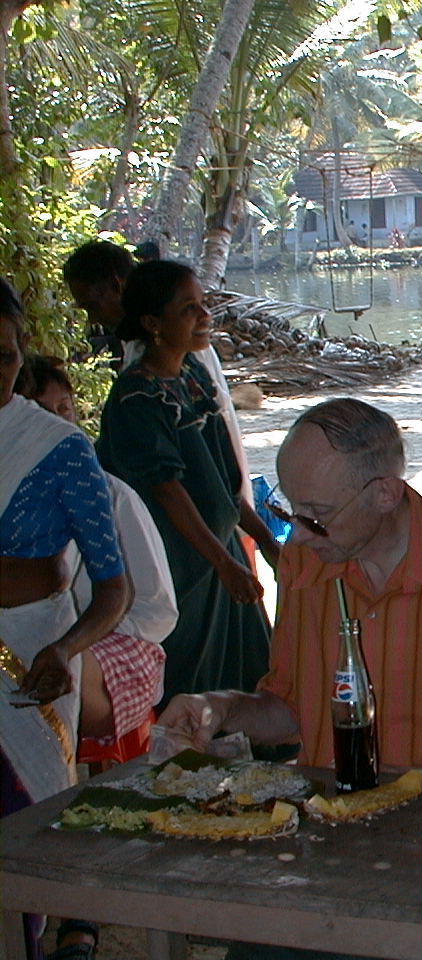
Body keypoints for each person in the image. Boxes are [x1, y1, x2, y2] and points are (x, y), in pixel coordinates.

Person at [158, 398, 422, 782]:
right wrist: (221, 708)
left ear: (385, 493)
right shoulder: (306, 561)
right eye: (288, 509)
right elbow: (292, 710)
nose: (299, 537)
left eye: (317, 516)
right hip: (336, 822)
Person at [0, 280, 130, 960]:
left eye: (5, 355)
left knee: (26, 828)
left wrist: (64, 647)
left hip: (32, 662)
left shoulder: (58, 450)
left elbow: (114, 588)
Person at [95, 261, 276, 706]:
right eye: (188, 309)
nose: (203, 317)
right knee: (189, 682)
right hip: (183, 561)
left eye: (203, 306)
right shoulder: (137, 397)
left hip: (221, 550)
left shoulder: (193, 378)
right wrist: (222, 563)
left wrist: (264, 539)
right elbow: (167, 490)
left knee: (253, 672)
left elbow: (224, 479)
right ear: (153, 323)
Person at [19, 355, 175, 766]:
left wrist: (80, 630)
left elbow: (158, 613)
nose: (58, 424)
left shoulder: (110, 494)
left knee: (56, 656)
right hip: (44, 640)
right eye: (42, 412)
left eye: (63, 410)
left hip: (120, 646)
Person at [63, 240, 253, 504]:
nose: (92, 320)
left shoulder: (178, 351)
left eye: (92, 306)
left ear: (117, 286)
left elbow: (215, 433)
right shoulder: (143, 361)